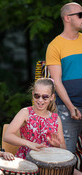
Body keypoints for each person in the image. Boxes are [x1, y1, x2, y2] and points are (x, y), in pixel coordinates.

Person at [46, 2, 82, 154]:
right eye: (80, 15)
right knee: (66, 155)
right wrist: (70, 106)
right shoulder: (54, 46)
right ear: (67, 18)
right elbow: (57, 82)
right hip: (68, 109)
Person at [3, 78, 66, 160]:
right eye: (37, 96)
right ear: (33, 94)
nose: (40, 100)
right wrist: (29, 144)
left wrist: (57, 145)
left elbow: (64, 147)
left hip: (49, 162)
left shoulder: (56, 118)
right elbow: (7, 136)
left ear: (52, 97)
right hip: (27, 160)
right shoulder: (25, 112)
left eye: (45, 97)